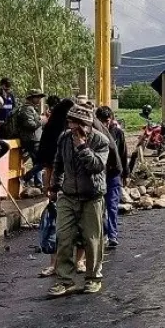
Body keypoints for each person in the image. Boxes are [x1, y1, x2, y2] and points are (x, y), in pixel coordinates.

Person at [47, 105, 111, 297]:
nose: (71, 126)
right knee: (64, 237)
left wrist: (83, 146)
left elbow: (96, 166)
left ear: (86, 125)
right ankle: (65, 280)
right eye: (69, 122)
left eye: (74, 123)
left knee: (92, 240)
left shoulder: (100, 141)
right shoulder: (64, 139)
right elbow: (58, 163)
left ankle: (93, 278)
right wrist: (54, 186)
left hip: (92, 197)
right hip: (68, 195)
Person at [36, 98, 75, 279]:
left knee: (56, 226)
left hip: (60, 186)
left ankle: (55, 264)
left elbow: (46, 164)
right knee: (69, 225)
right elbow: (51, 164)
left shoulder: (51, 130)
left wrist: (48, 187)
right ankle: (76, 262)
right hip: (69, 186)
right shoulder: (67, 132)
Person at [96, 106, 129, 249]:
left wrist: (126, 174)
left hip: (113, 174)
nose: (105, 125)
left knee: (112, 206)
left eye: (107, 121)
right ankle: (103, 232)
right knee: (99, 207)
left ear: (111, 120)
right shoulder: (93, 135)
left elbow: (123, 154)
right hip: (98, 175)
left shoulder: (117, 133)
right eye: (102, 122)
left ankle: (112, 235)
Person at [15, 89, 45, 188]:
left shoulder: (32, 109)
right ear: (32, 98)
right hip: (31, 140)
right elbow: (30, 124)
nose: (40, 100)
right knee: (42, 162)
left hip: (35, 139)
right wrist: (42, 120)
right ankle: (26, 177)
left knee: (37, 162)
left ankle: (38, 184)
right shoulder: (27, 109)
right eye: (38, 97)